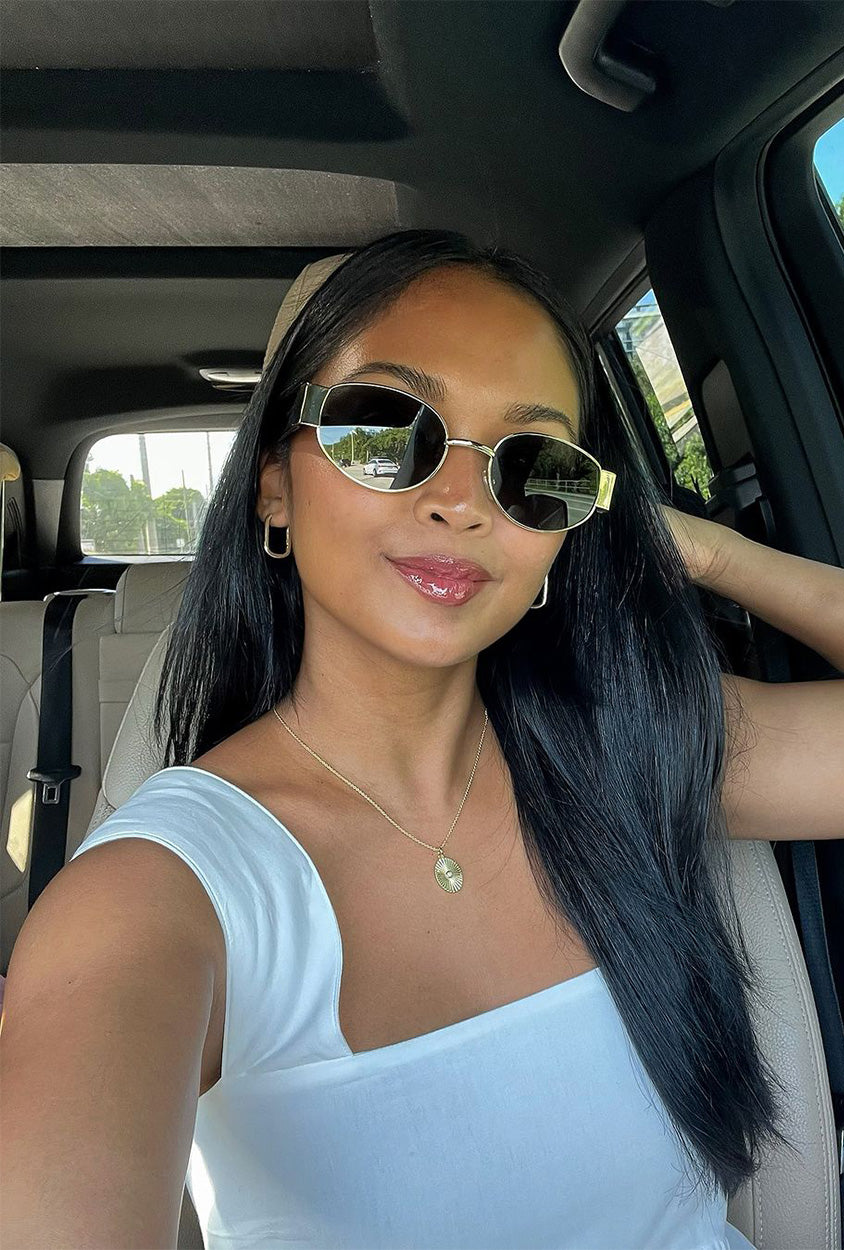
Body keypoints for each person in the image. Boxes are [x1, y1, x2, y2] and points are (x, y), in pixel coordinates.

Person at [7, 230, 791, 1248]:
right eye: (383, 431)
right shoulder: (155, 896)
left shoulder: (622, 747)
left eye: (533, 465)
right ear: (273, 484)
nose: (462, 501)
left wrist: (712, 552)